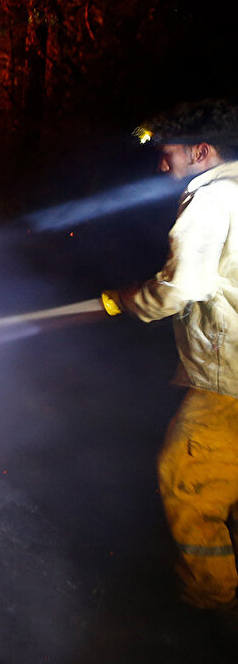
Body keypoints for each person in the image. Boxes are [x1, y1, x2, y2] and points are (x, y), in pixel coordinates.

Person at [103, 98, 238, 614]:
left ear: (201, 151)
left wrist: (132, 301)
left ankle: (209, 603)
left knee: (187, 483)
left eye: (169, 153)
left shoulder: (211, 200)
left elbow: (182, 287)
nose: (162, 164)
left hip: (227, 383)